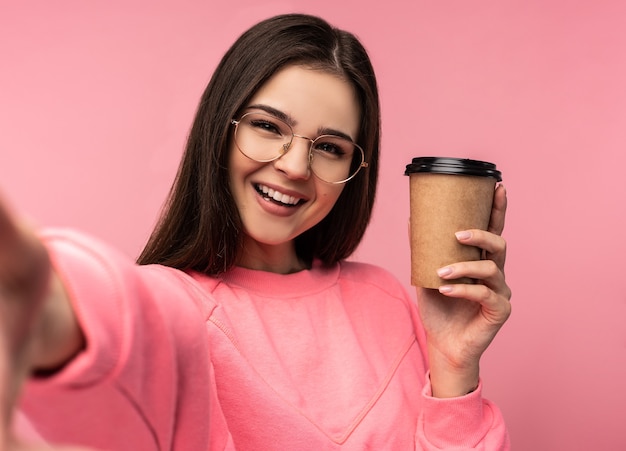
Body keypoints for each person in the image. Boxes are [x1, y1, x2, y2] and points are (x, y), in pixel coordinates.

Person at [0, 13, 512, 451]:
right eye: (268, 126)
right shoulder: (176, 300)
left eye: (330, 147)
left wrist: (452, 366)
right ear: (220, 130)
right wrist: (40, 292)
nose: (294, 166)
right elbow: (121, 317)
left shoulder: (385, 298)